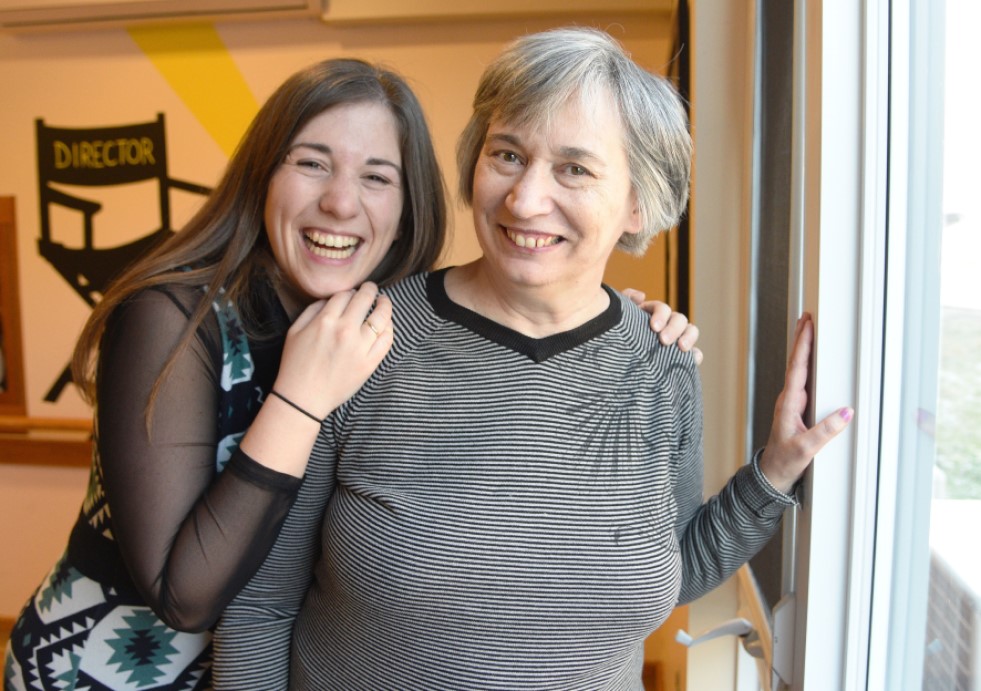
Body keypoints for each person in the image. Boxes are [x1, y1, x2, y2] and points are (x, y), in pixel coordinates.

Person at [3, 58, 696, 691]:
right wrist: (301, 398)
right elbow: (182, 596)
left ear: (406, 205)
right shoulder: (172, 318)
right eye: (311, 163)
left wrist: (614, 325)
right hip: (110, 671)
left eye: (376, 177)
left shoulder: (371, 321)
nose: (340, 203)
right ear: (263, 173)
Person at [215, 27, 853, 689]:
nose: (523, 200)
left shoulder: (662, 365)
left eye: (574, 168)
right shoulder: (364, 338)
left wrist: (773, 475)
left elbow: (669, 571)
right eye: (507, 155)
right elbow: (258, 605)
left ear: (638, 201)